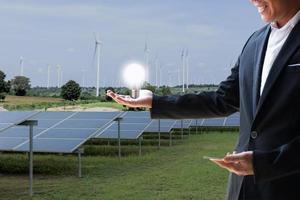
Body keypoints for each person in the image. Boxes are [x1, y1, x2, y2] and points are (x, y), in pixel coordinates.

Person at [107, 0, 300, 199]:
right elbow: (222, 99)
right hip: (241, 188)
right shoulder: (255, 42)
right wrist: (155, 101)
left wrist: (266, 163)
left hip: (289, 187)